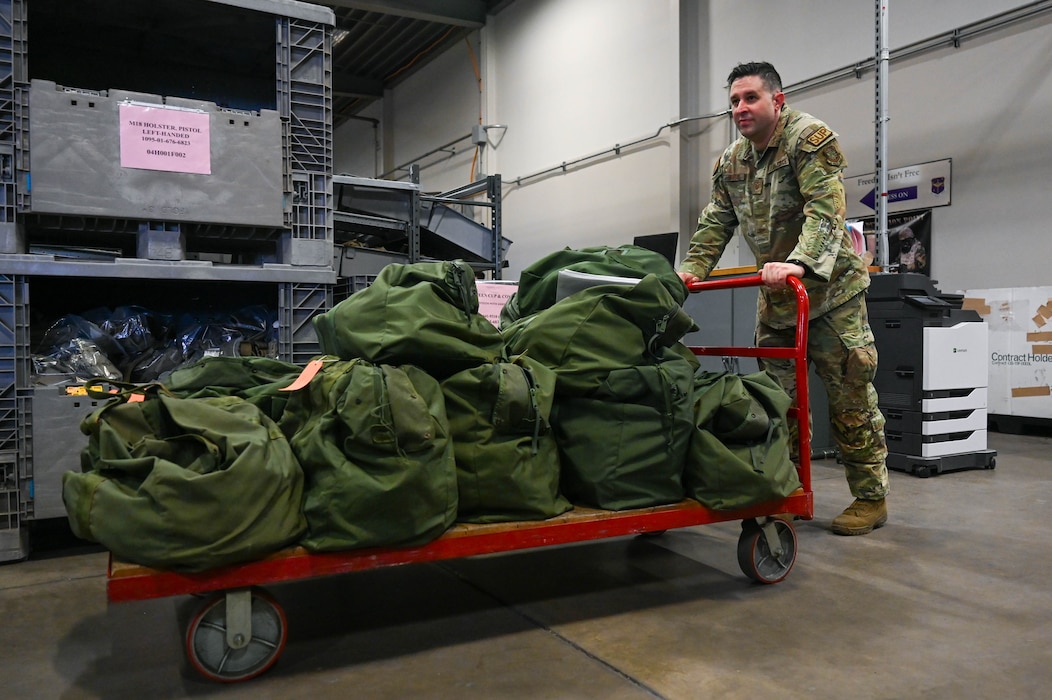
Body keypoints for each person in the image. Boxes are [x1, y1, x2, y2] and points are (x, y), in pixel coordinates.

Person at [677, 61, 889, 535]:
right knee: (779, 403)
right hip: (778, 300)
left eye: (750, 98)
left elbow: (826, 210)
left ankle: (870, 498)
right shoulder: (731, 161)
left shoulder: (809, 140)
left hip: (831, 295)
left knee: (849, 396)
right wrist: (691, 271)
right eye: (733, 101)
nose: (740, 108)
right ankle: (787, 488)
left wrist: (800, 261)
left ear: (778, 99)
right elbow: (716, 222)